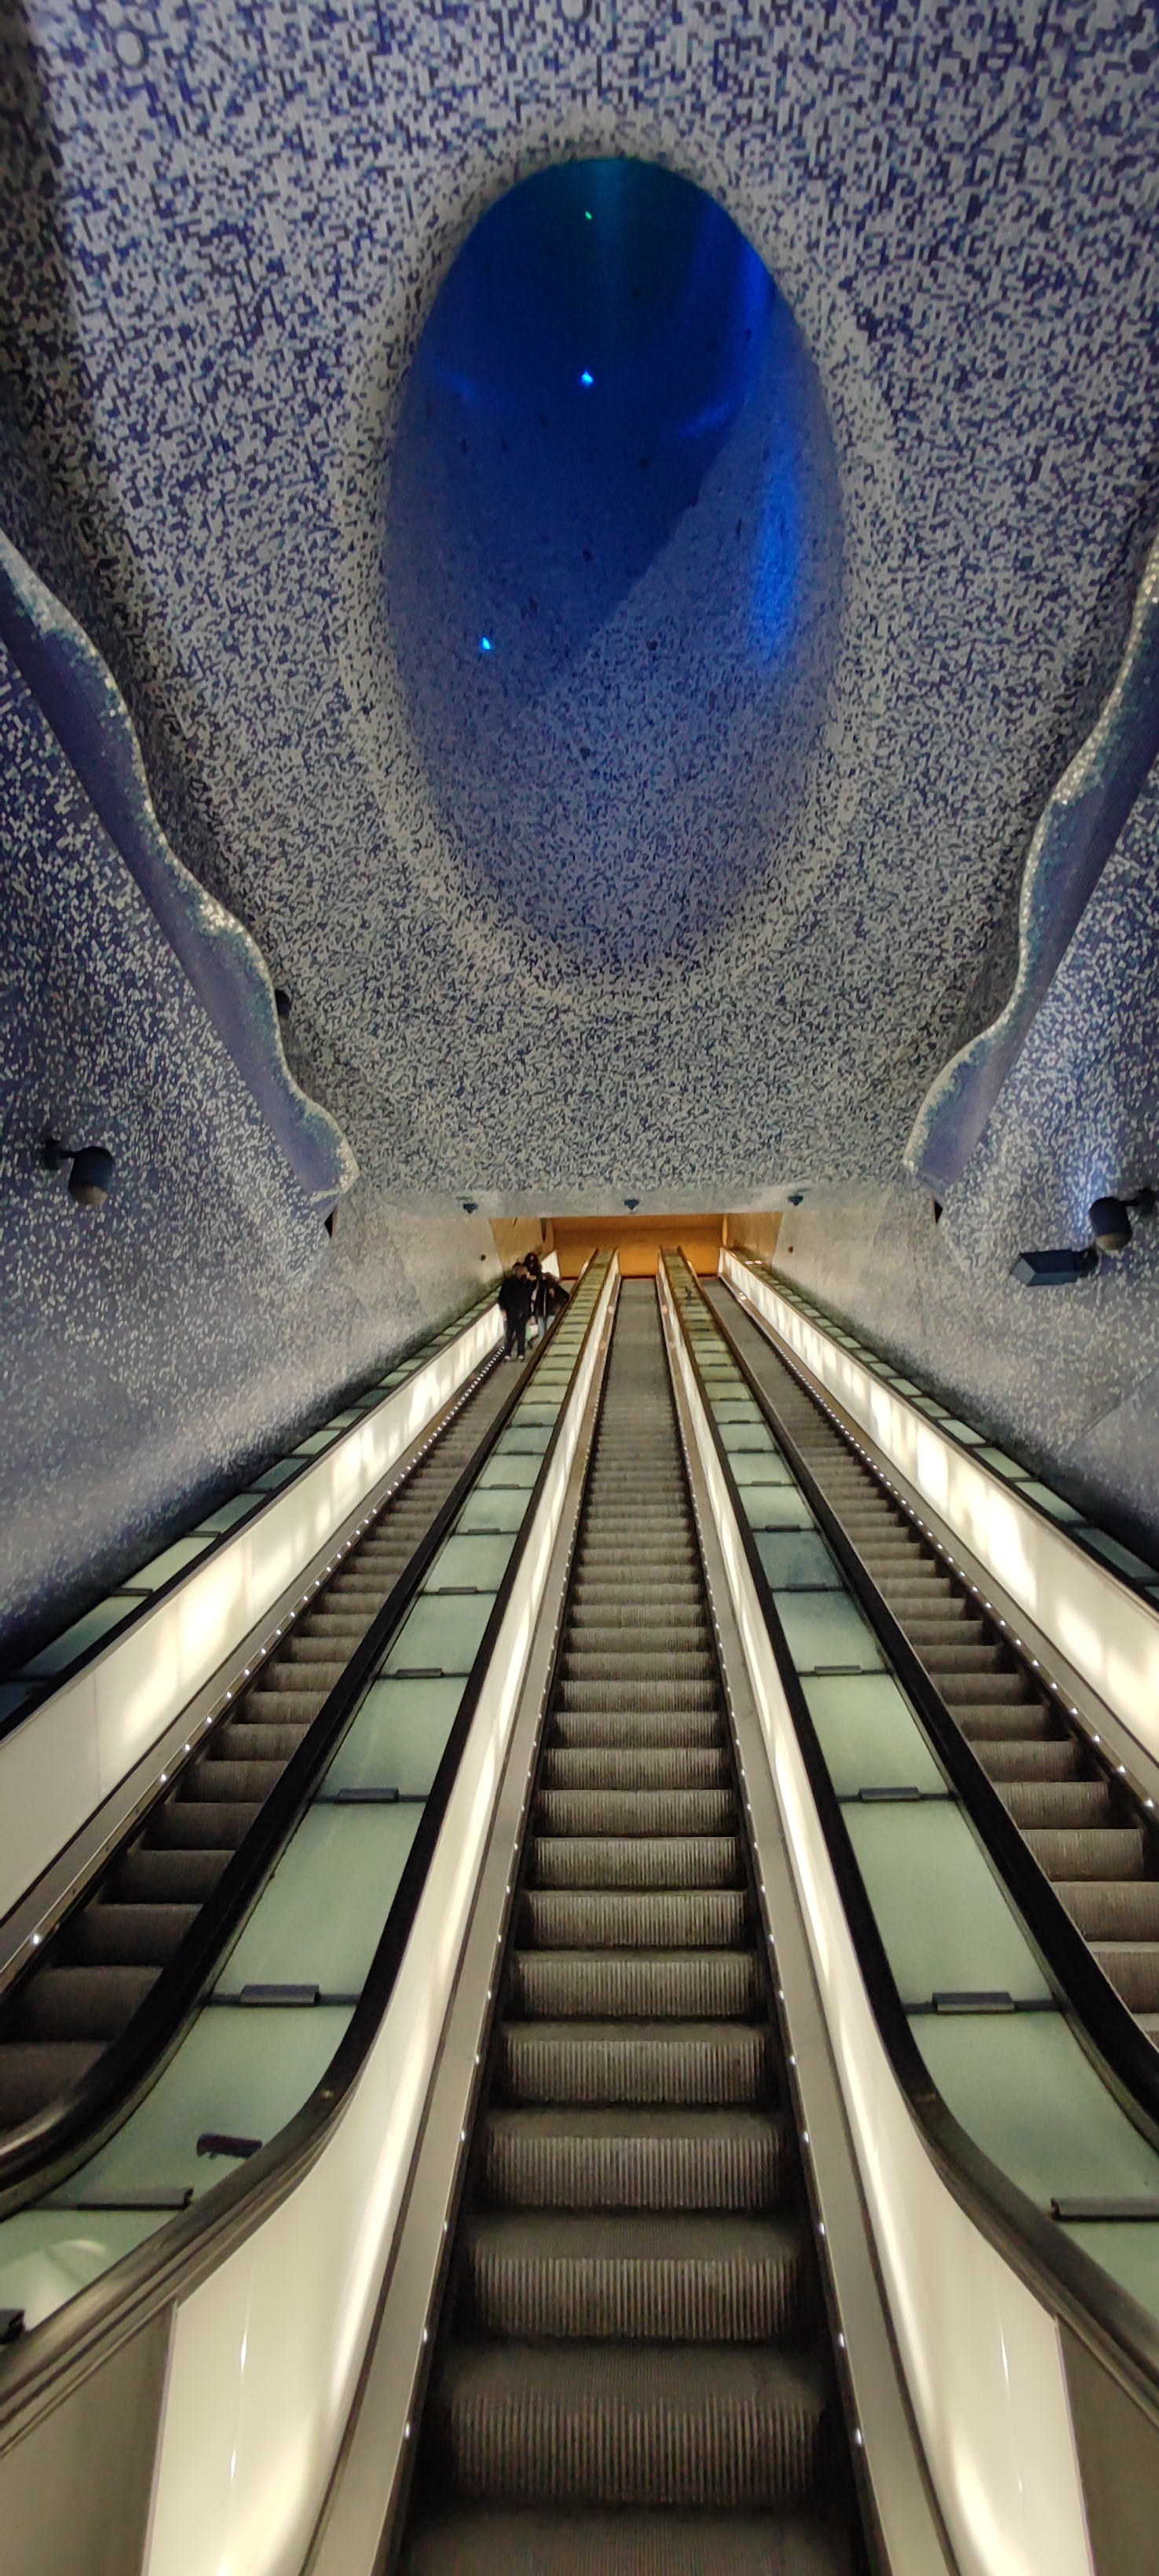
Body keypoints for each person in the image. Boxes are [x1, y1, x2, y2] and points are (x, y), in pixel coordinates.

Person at [497, 1261, 532, 1360]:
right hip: (512, 1312)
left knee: (519, 1334)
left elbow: (528, 1297)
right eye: (523, 1272)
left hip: (519, 1312)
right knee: (511, 1334)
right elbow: (501, 1298)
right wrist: (503, 1309)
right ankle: (510, 1353)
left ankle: (518, 1353)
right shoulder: (509, 1283)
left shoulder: (525, 1283)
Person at [534, 1265, 566, 1337]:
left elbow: (565, 1297)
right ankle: (543, 1347)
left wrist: (554, 1297)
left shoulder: (555, 1288)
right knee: (542, 1332)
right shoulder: (540, 1290)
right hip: (541, 1313)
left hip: (550, 1312)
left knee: (548, 1331)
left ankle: (545, 1346)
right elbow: (537, 1301)